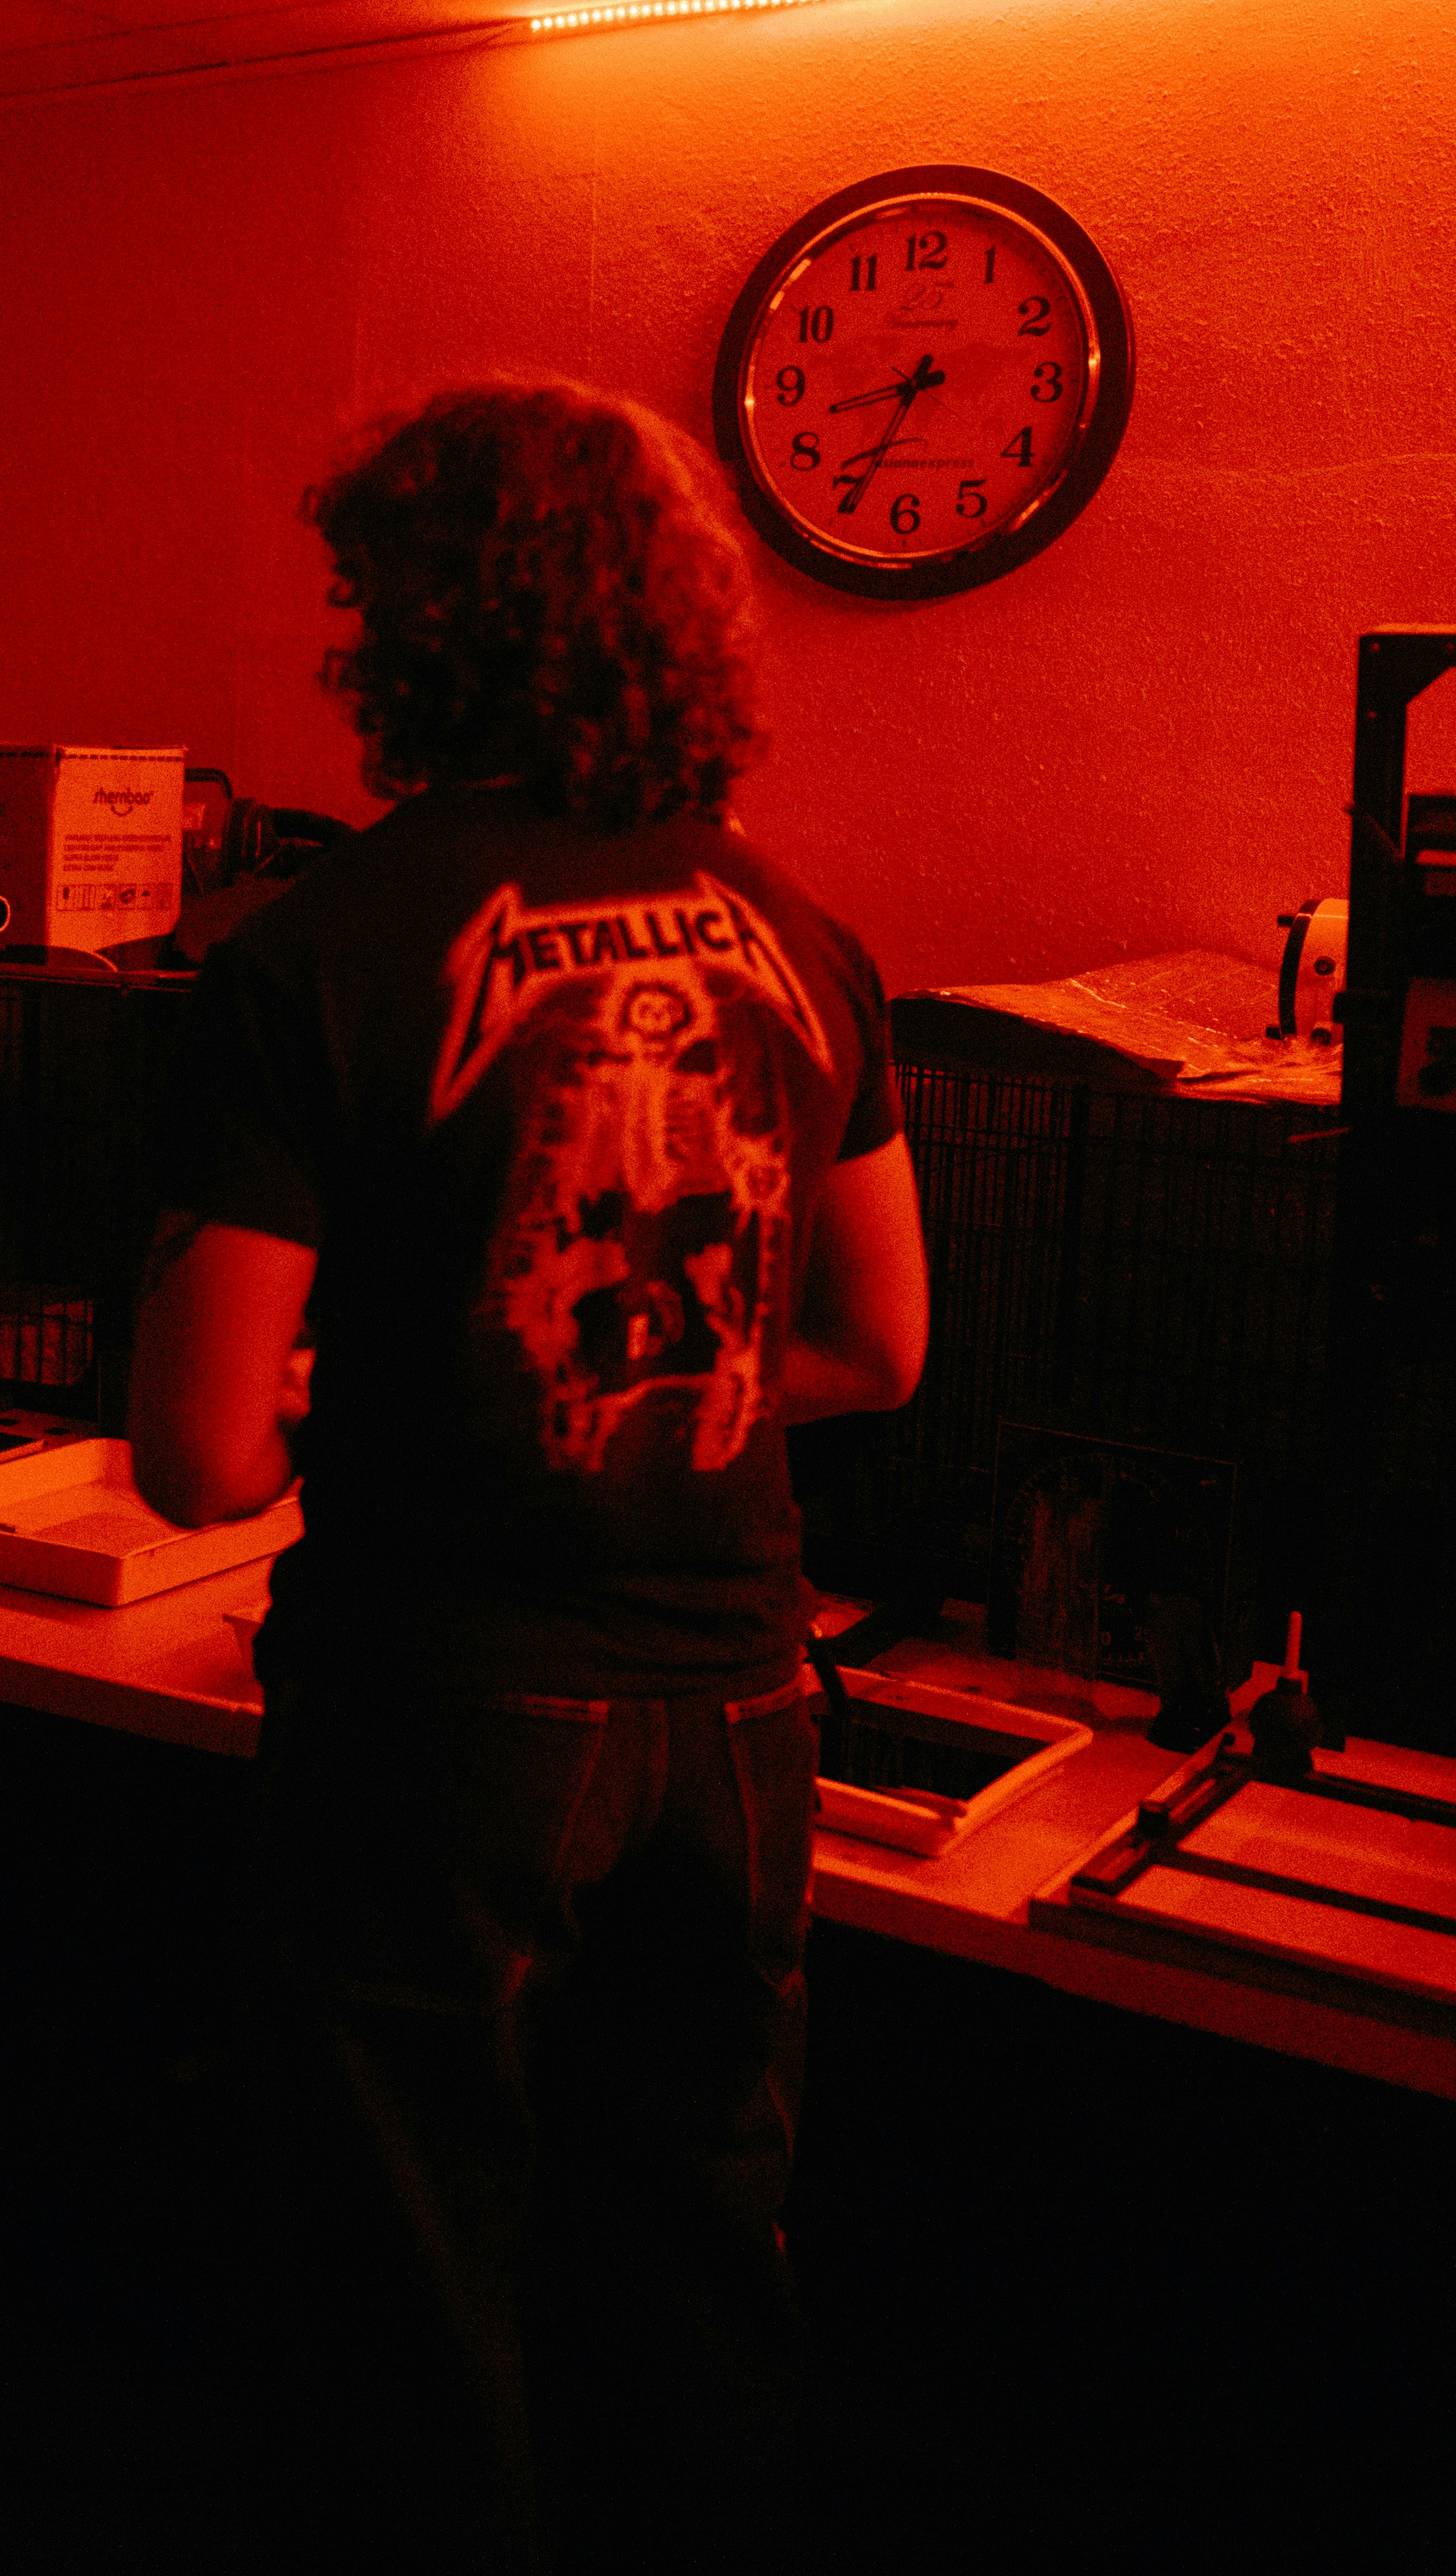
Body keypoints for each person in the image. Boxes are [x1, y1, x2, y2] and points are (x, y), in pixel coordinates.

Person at [133, 383, 927, 2568]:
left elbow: (197, 1457)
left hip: (447, 1704)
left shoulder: (317, 952)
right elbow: (878, 1346)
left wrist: (408, 1393)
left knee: (408, 2265)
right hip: (743, 1703)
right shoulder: (804, 936)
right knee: (695, 2245)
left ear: (417, 622)